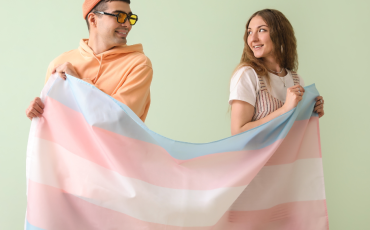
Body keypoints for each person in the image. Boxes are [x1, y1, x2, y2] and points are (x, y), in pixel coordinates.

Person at [25, 0, 153, 122]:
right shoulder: (59, 64)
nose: (128, 25)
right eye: (119, 16)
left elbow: (119, 120)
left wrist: (77, 82)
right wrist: (38, 113)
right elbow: (55, 124)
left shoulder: (139, 65)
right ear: (93, 19)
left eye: (130, 18)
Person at [229, 9, 324, 135]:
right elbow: (238, 132)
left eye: (261, 30)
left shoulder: (297, 80)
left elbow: (294, 134)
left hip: (287, 155)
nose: (253, 38)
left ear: (280, 34)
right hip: (257, 155)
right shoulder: (248, 75)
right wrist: (284, 109)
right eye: (250, 32)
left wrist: (312, 113)